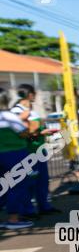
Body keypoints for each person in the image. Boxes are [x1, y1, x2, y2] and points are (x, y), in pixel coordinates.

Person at [11, 85, 60, 216]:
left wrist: (41, 132)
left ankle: (44, 206)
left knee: (42, 180)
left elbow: (33, 130)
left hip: (39, 149)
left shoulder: (30, 110)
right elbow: (21, 131)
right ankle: (27, 210)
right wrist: (38, 132)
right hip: (27, 150)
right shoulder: (17, 111)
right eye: (34, 93)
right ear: (30, 94)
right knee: (28, 181)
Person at [0, 90, 36, 229]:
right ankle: (13, 220)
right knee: (16, 186)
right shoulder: (9, 116)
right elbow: (24, 133)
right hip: (14, 154)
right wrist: (26, 123)